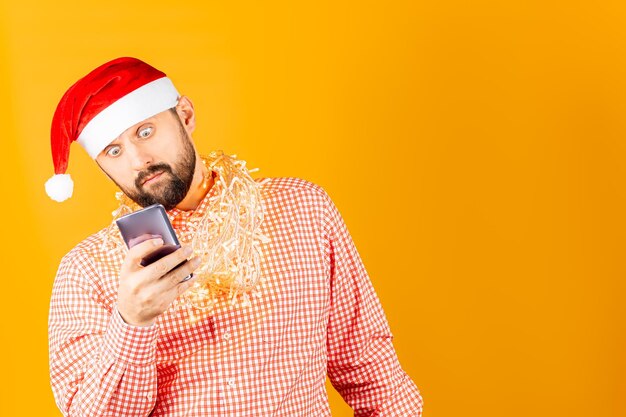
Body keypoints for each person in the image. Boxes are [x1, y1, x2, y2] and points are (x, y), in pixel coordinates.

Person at [47, 57, 423, 416]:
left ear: (185, 115)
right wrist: (132, 321)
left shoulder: (304, 210)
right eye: (113, 151)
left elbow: (370, 368)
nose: (137, 160)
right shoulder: (86, 270)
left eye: (145, 132)